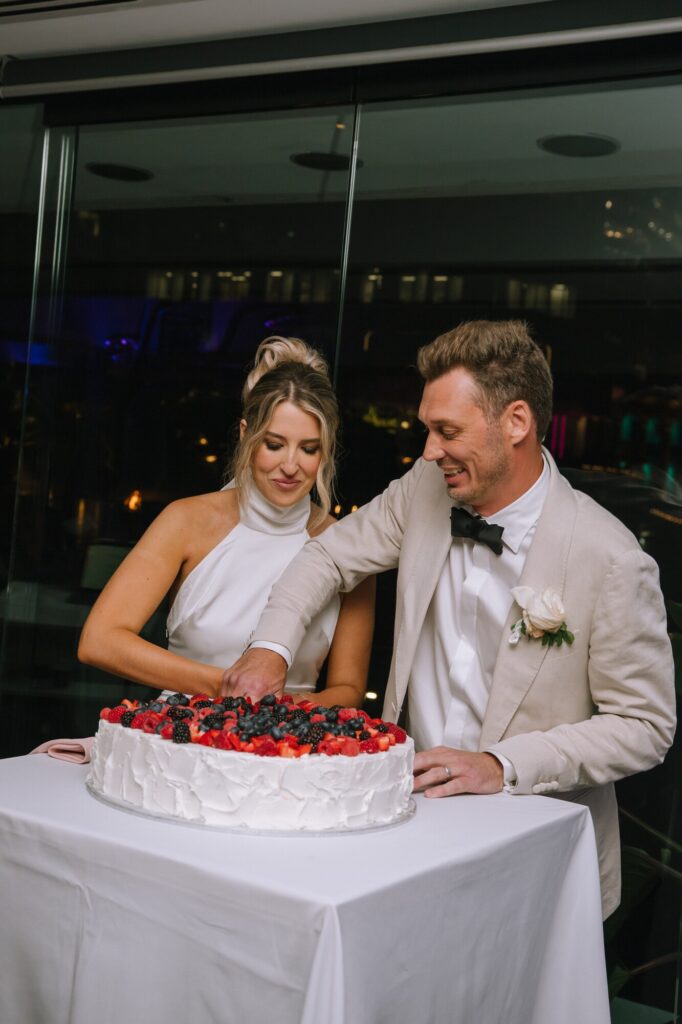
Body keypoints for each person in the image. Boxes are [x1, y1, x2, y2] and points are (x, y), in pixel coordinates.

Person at [223, 320, 676, 918]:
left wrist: (501, 765)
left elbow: (644, 724)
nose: (430, 449)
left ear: (516, 422)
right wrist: (270, 648)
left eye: (447, 431)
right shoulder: (424, 488)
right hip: (405, 827)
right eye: (427, 430)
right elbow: (327, 556)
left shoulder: (611, 558)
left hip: (534, 855)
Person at [78, 336, 375, 707]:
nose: (290, 465)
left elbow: (349, 690)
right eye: (274, 444)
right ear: (245, 434)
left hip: (291, 749)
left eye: (309, 449)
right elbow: (100, 641)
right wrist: (231, 688)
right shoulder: (186, 520)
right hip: (181, 737)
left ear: (325, 452)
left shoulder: (348, 546)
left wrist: (273, 714)